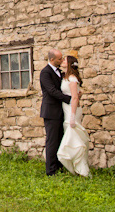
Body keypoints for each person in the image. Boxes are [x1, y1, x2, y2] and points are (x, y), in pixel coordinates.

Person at [57, 55, 90, 177]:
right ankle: (77, 168)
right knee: (71, 137)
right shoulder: (66, 77)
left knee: (74, 138)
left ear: (69, 64)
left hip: (72, 110)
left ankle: (82, 170)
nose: (62, 61)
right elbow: (75, 94)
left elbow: (75, 97)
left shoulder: (71, 78)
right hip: (67, 109)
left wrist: (72, 116)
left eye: (64, 60)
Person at [39, 48, 71, 176]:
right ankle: (51, 170)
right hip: (51, 111)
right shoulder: (45, 73)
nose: (62, 60)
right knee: (52, 141)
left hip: (60, 110)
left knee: (60, 138)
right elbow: (52, 91)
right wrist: (69, 99)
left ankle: (59, 165)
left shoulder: (60, 72)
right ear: (52, 59)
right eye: (59, 59)